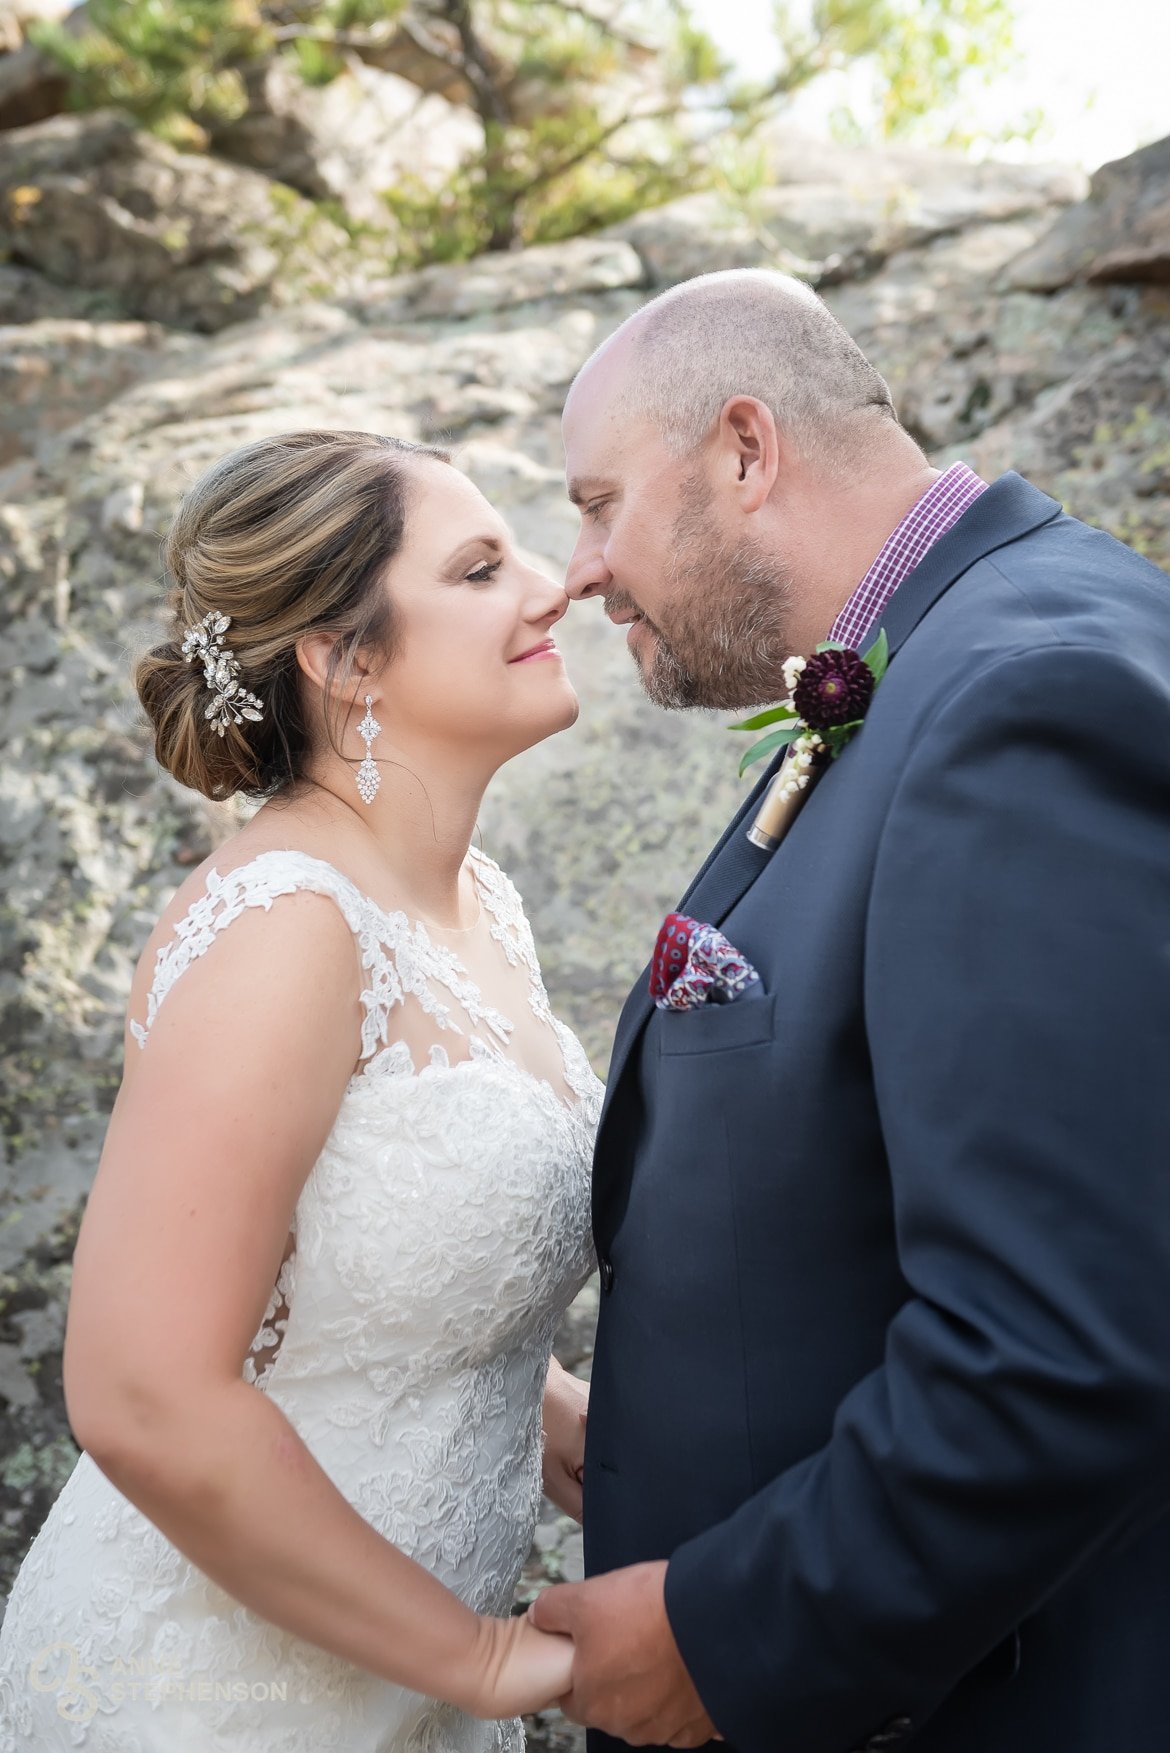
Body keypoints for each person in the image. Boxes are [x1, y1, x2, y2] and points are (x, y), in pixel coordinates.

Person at [532, 268, 1170, 1753]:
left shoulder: (1026, 692)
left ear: (745, 451)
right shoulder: (934, 656)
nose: (577, 568)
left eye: (599, 501)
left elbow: (1065, 1334)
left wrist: (728, 1635)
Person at [0, 429, 600, 1751]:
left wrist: (536, 1392)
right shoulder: (285, 920)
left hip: (399, 1689)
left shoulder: (474, 902)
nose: (552, 584)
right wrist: (484, 1656)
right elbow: (143, 1394)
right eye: (481, 566)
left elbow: (354, 1267)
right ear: (346, 658)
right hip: (207, 1701)